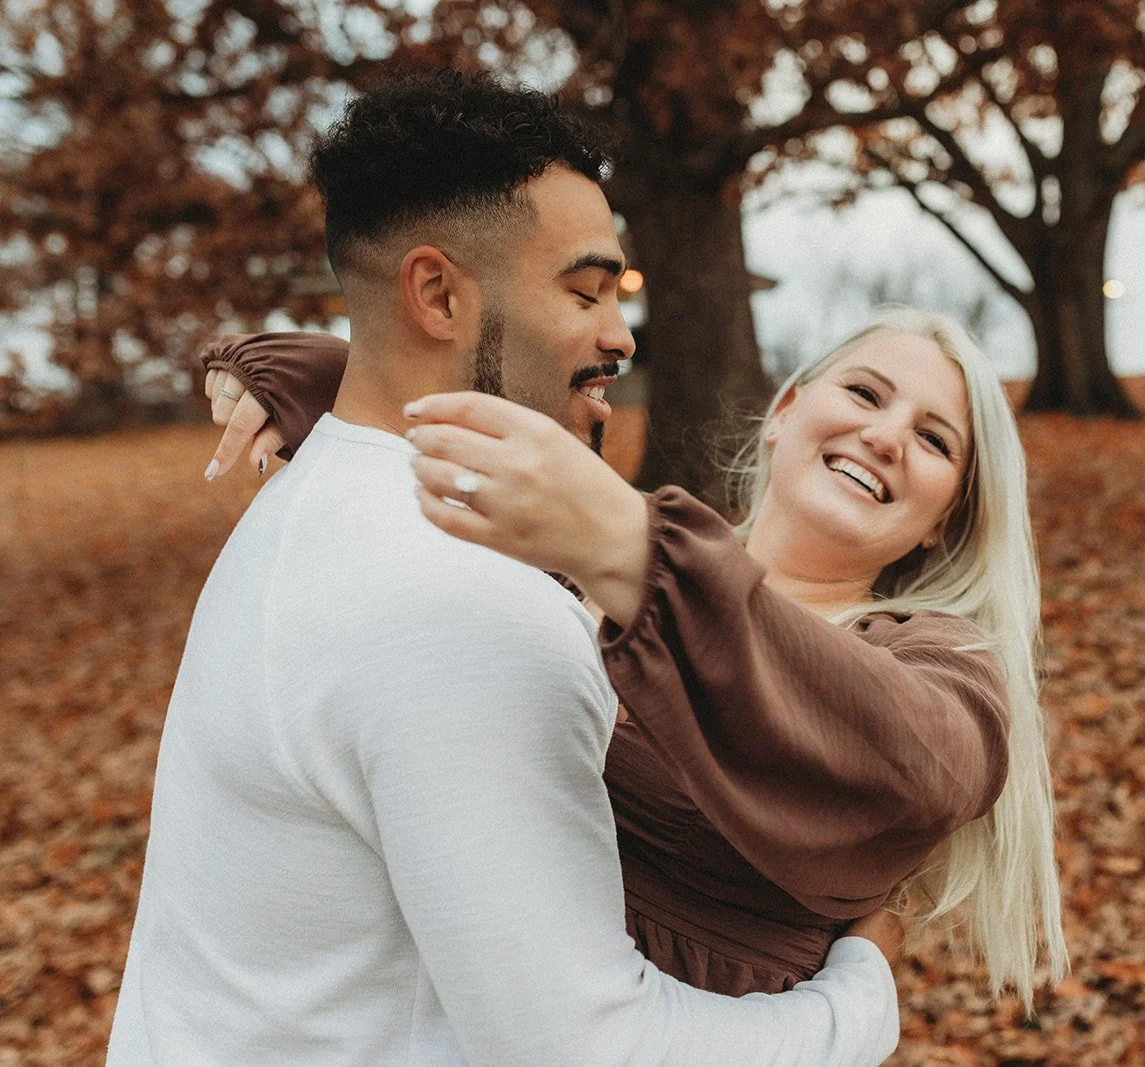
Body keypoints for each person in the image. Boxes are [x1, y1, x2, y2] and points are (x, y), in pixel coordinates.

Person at [109, 70, 906, 1066]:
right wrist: (863, 993)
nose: (620, 333)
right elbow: (587, 1051)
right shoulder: (461, 604)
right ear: (438, 293)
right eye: (585, 290)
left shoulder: (316, 496)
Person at [200, 305, 1070, 1008]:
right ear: (785, 411)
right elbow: (445, 446)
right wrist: (305, 370)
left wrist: (635, 550)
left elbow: (922, 765)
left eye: (934, 439)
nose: (886, 435)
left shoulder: (937, 654)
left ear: (951, 514)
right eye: (867, 393)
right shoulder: (603, 555)